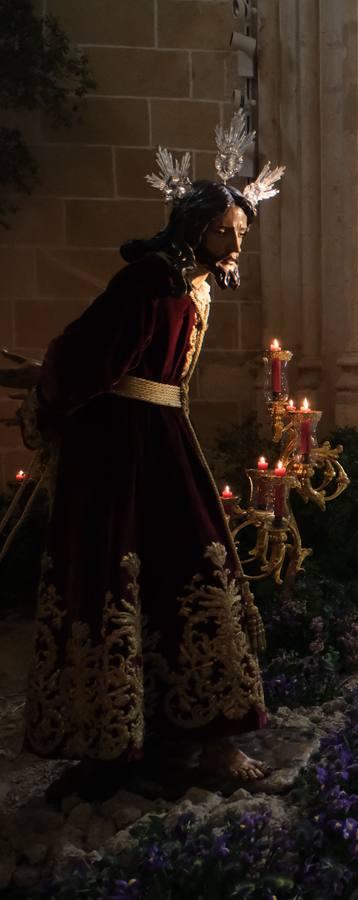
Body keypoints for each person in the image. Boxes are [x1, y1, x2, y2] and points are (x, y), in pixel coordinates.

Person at [8, 114, 283, 780]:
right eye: (226, 232)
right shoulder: (152, 280)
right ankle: (119, 736)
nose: (235, 245)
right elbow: (89, 356)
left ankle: (195, 732)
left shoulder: (186, 278)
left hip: (160, 438)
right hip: (121, 449)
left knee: (192, 573)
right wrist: (48, 390)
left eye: (242, 234)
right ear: (194, 227)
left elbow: (88, 360)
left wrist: (49, 388)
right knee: (143, 572)